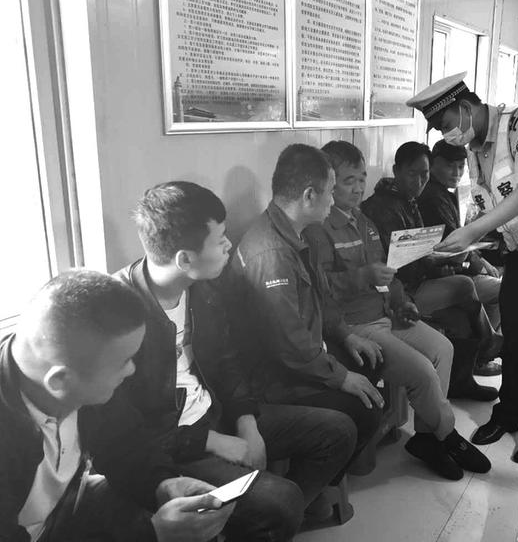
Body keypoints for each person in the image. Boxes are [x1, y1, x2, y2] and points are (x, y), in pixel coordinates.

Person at [120, 181, 357, 527]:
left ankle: (267, 522)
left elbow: (226, 361)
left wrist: (247, 423)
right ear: (184, 259)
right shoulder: (122, 315)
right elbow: (132, 433)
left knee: (339, 430)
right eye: (220, 240)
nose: (229, 245)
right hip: (178, 448)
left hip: (216, 413)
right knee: (282, 502)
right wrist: (211, 441)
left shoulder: (203, 287)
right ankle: (271, 517)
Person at [407, 72, 518, 464]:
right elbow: (493, 206)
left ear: (465, 108)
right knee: (516, 339)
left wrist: (472, 231)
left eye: (445, 124)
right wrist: (478, 240)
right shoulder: (475, 146)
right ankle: (508, 413)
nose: (446, 135)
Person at [1, 270, 234, 542]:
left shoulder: (78, 378)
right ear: (61, 380)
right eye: (123, 362)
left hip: (66, 506)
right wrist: (152, 534)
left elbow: (124, 443)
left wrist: (163, 484)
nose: (132, 369)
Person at [304, 140, 491, 481]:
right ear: (328, 183)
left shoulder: (364, 222)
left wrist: (401, 302)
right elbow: (320, 291)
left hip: (386, 315)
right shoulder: (319, 229)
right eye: (348, 181)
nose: (358, 187)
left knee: (443, 348)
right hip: (355, 326)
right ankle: (447, 436)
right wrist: (363, 276)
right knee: (423, 372)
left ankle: (426, 438)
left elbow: (389, 275)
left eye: (362, 178)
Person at [229, 144, 383, 474]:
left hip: (304, 355)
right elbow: (288, 343)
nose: (333, 201)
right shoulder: (270, 253)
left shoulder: (300, 233)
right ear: (310, 196)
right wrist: (340, 377)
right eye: (330, 191)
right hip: (274, 377)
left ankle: (332, 472)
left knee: (371, 361)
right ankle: (307, 492)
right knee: (365, 411)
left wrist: (346, 335)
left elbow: (321, 299)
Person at [360, 141, 498, 401]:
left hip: (416, 280)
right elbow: (397, 263)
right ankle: (488, 344)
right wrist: (432, 261)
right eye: (412, 174)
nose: (420, 181)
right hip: (398, 292)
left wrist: (436, 261)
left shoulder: (408, 200)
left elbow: (417, 251)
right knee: (465, 286)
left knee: (461, 310)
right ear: (396, 171)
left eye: (424, 174)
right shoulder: (383, 207)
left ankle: (462, 379)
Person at [418, 139, 504, 375]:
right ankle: (484, 352)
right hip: (440, 274)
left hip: (450, 268)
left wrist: (479, 259)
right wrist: (478, 262)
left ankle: (484, 350)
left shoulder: (443, 193)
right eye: (450, 166)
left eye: (460, 167)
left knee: (491, 282)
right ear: (433, 163)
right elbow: (453, 247)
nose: (456, 173)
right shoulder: (432, 197)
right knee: (502, 291)